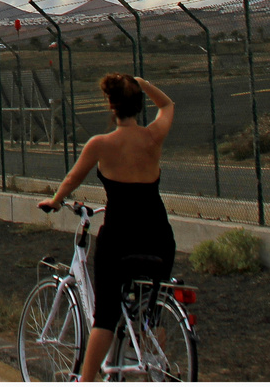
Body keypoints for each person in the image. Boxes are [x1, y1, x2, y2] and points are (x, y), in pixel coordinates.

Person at [38, 75, 176, 382]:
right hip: (158, 237)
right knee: (151, 310)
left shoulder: (100, 145)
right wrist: (145, 82)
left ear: (111, 107)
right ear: (140, 105)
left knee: (105, 318)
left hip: (120, 239)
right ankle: (155, 371)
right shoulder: (154, 136)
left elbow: (72, 179)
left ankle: (87, 382)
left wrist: (56, 201)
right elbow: (167, 104)